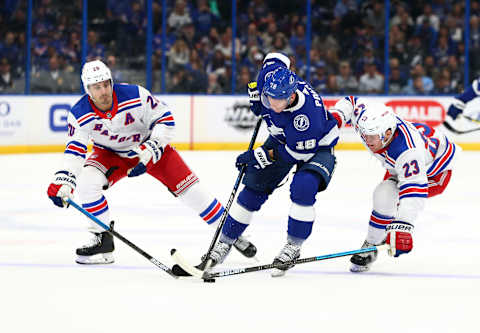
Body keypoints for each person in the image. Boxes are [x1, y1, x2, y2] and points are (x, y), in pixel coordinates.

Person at [46, 59, 256, 265]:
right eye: (96, 87)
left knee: (193, 192)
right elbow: (75, 149)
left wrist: (150, 151)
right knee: (87, 183)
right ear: (87, 89)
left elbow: (166, 119)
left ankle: (232, 234)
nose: (103, 91)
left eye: (105, 84)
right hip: (110, 154)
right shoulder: (79, 113)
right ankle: (103, 239)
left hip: (150, 149)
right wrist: (65, 180)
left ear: (111, 82)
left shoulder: (135, 95)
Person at [203, 52, 339, 277]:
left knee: (303, 187)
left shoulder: (307, 118)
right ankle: (225, 241)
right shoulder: (270, 77)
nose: (272, 104)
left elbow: (292, 154)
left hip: (315, 148)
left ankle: (293, 246)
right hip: (283, 139)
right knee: (252, 189)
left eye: (278, 100)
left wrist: (259, 156)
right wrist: (257, 96)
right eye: (269, 98)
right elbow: (276, 58)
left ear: (291, 95)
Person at [329, 96, 460, 272]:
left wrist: (403, 226)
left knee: (385, 196)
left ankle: (372, 243)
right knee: (384, 199)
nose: (367, 140)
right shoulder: (367, 122)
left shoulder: (407, 152)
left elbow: (415, 189)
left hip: (434, 173)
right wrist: (337, 115)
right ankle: (374, 240)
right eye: (365, 134)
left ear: (388, 133)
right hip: (398, 166)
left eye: (373, 136)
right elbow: (351, 101)